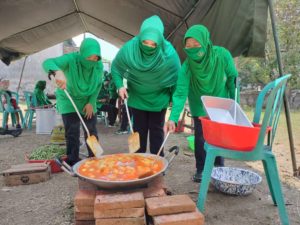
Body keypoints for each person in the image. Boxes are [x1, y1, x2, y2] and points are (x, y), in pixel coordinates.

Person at [164, 25, 238, 182]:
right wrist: (173, 117)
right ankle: (201, 169)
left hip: (220, 104)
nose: (192, 49)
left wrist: (234, 104)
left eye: (196, 45)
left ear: (205, 42)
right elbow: (180, 92)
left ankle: (219, 168)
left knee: (219, 138)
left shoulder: (222, 55)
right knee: (200, 138)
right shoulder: (187, 66)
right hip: (199, 105)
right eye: (188, 46)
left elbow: (232, 79)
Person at [112, 15, 181, 155]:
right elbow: (115, 67)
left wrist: (173, 117)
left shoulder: (170, 55)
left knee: (156, 134)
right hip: (137, 99)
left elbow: (179, 86)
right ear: (140, 37)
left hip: (159, 101)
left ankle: (157, 166)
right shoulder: (130, 48)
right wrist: (120, 85)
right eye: (145, 42)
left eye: (153, 44)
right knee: (139, 133)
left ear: (160, 41)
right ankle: (138, 164)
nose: (149, 47)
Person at [43, 38, 103, 166]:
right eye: (89, 57)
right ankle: (73, 160)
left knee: (91, 129)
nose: (92, 61)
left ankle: (95, 158)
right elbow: (48, 62)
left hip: (88, 99)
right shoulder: (70, 59)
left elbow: (98, 84)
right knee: (73, 131)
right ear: (82, 54)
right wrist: (58, 72)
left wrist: (91, 102)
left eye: (95, 58)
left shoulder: (98, 65)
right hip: (68, 98)